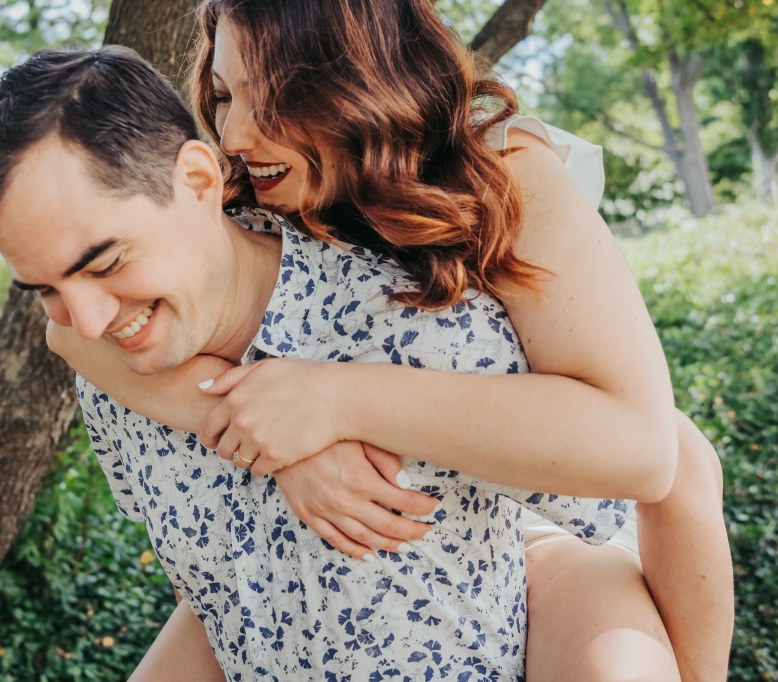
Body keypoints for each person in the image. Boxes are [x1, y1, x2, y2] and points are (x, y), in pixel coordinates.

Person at [50, 2, 734, 680]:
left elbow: (647, 450)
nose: (236, 135)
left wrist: (334, 403)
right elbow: (70, 329)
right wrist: (268, 435)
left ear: (359, 79)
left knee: (675, 499)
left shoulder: (497, 172)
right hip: (334, 562)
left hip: (531, 521)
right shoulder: (245, 197)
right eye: (225, 96)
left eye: (277, 99)